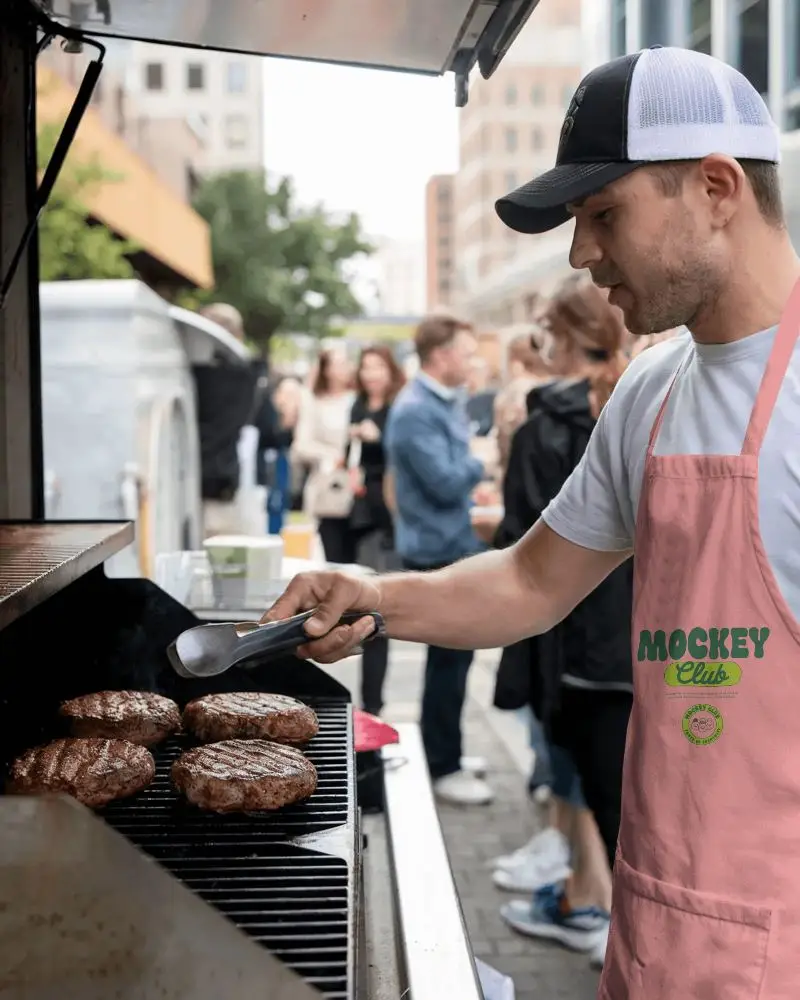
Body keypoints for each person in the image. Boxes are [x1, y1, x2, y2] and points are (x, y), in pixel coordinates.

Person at [263, 45, 800, 996]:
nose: (581, 253)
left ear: (717, 186)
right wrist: (374, 594)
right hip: (658, 911)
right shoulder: (651, 389)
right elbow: (529, 580)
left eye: (604, 214)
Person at [496, 274, 634, 968]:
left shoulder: (546, 421)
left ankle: (594, 908)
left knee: (593, 789)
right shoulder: (649, 397)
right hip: (646, 642)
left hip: (582, 643)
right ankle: (599, 908)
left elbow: (523, 553)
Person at [384, 314, 492, 805]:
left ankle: (444, 751)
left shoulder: (443, 402)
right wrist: (483, 458)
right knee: (448, 661)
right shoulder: (415, 411)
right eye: (467, 352)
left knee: (454, 661)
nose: (474, 361)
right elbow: (447, 481)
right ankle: (442, 764)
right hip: (437, 550)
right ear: (442, 355)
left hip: (453, 543)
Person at [346, 345, 406, 716]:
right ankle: (359, 704)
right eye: (365, 367)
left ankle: (373, 704)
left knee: (375, 610)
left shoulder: (398, 408)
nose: (370, 374)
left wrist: (376, 437)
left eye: (377, 367)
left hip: (386, 516)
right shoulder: (356, 405)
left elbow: (400, 456)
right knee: (352, 605)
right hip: (353, 511)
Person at [291, 344, 355, 562]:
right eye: (337, 363)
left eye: (346, 362)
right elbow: (301, 445)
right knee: (334, 552)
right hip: (330, 486)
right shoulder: (313, 400)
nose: (343, 368)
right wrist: (332, 455)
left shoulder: (357, 400)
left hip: (360, 486)